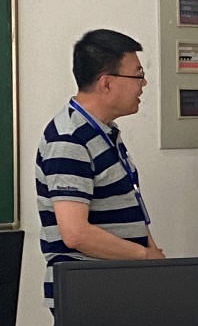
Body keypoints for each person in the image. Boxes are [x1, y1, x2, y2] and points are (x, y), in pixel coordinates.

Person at [36, 29, 162, 310]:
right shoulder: (69, 138)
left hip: (117, 286)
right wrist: (145, 256)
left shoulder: (104, 132)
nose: (143, 83)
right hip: (89, 293)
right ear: (106, 83)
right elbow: (76, 233)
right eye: (138, 75)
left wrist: (151, 256)